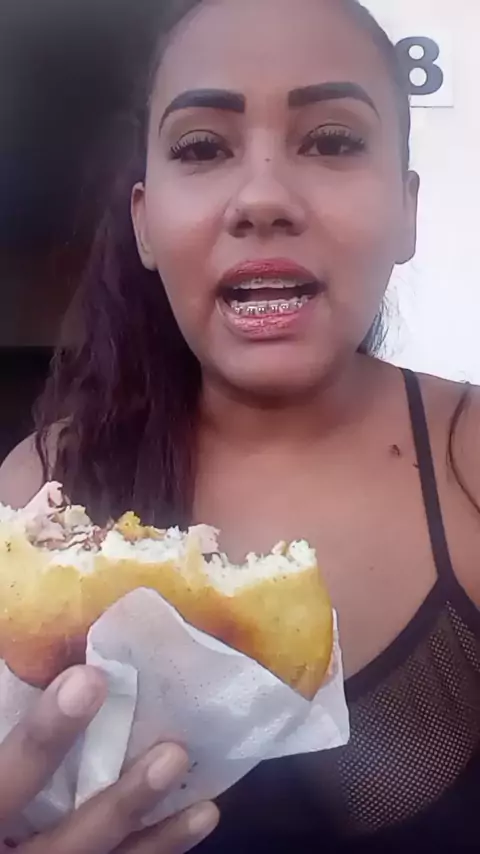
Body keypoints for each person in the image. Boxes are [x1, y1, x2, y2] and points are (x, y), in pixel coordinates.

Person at [0, 0, 479, 850]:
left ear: (407, 210)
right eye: (202, 148)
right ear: (145, 223)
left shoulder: (468, 460)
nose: (262, 198)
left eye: (331, 141)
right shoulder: (36, 500)